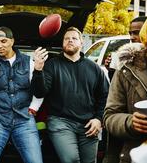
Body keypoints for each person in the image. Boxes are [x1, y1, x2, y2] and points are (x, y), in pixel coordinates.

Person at [32, 26, 109, 163]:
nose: (70, 41)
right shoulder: (52, 65)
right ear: (62, 43)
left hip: (89, 124)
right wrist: (38, 70)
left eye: (74, 38)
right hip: (60, 122)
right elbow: (39, 92)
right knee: (71, 160)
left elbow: (105, 96)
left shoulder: (94, 68)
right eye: (66, 38)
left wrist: (98, 119)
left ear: (81, 43)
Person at [0, 26, 45, 163]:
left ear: (12, 41)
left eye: (3, 41)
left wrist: (34, 108)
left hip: (23, 119)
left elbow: (39, 91)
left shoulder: (29, 62)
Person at [103, 15, 147, 163]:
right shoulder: (126, 69)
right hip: (135, 154)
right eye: (130, 32)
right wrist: (130, 123)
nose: (132, 36)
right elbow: (110, 116)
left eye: (135, 32)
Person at [105, 16, 147, 80]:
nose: (131, 37)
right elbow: (120, 88)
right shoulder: (127, 60)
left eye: (136, 33)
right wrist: (112, 71)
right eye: (130, 33)